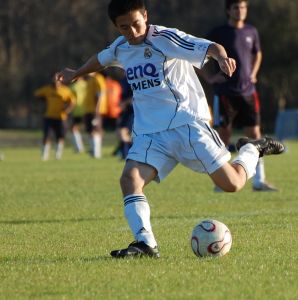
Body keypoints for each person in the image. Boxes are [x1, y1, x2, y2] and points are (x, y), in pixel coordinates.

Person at [56, 0, 285, 258]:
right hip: (150, 134)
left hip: (187, 125)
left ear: (145, 15)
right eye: (124, 27)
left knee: (232, 184)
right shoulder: (121, 47)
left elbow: (208, 46)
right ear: (116, 27)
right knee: (129, 180)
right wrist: (77, 72)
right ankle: (145, 244)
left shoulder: (166, 38)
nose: (132, 32)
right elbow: (101, 59)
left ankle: (251, 149)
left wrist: (221, 56)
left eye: (136, 24)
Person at [205, 0, 277, 192]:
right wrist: (210, 78)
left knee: (255, 135)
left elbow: (258, 54)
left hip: (248, 93)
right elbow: (197, 59)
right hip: (225, 94)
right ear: (229, 10)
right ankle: (222, 182)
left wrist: (253, 73)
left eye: (243, 7)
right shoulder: (218, 33)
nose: (241, 11)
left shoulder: (251, 31)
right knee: (223, 136)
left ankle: (259, 181)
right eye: (236, 7)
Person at [34, 76, 75, 161]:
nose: (56, 83)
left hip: (61, 117)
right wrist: (41, 105)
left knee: (60, 137)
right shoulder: (47, 89)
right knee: (46, 136)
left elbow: (72, 102)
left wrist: (67, 110)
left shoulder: (65, 90)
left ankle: (57, 155)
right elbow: (37, 94)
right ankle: (44, 156)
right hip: (48, 116)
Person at [78, 72, 108, 159]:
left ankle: (96, 153)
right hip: (88, 109)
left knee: (95, 130)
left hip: (94, 110)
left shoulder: (98, 78)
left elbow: (100, 94)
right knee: (90, 130)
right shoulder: (89, 79)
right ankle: (93, 150)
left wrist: (97, 109)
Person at [69, 77, 88, 153]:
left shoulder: (73, 86)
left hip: (77, 110)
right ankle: (91, 147)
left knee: (74, 129)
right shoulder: (87, 84)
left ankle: (79, 147)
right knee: (91, 129)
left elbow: (70, 100)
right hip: (87, 109)